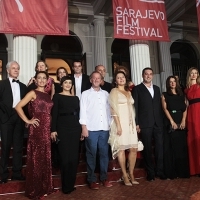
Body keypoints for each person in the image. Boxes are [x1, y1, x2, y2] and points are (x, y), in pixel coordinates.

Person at [15, 71, 54, 199]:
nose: (42, 80)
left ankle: (45, 187)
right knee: (36, 159)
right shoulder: (32, 93)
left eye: (44, 78)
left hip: (47, 129)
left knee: (45, 158)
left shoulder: (48, 95)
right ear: (35, 80)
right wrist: (28, 120)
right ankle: (35, 190)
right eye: (39, 78)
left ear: (47, 80)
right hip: (37, 129)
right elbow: (18, 106)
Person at [79, 71, 112, 190]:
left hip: (105, 129)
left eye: (99, 78)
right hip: (91, 129)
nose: (97, 80)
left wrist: (111, 126)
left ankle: (104, 178)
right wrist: (83, 127)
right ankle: (91, 179)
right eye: (94, 78)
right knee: (91, 154)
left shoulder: (106, 94)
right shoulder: (85, 94)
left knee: (104, 155)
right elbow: (82, 111)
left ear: (101, 80)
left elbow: (109, 112)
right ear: (91, 80)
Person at [132, 67, 165, 181]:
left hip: (158, 123)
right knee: (147, 149)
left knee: (159, 148)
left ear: (153, 76)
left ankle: (159, 171)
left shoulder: (157, 88)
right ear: (142, 75)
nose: (148, 76)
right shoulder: (137, 89)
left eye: (150, 74)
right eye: (146, 74)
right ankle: (150, 172)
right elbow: (135, 107)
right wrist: (137, 123)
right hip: (145, 123)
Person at [51, 76, 81, 194]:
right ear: (62, 84)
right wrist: (53, 130)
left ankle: (71, 185)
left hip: (75, 128)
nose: (68, 84)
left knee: (74, 158)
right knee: (65, 158)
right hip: (62, 128)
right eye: (65, 82)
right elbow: (54, 114)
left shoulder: (76, 98)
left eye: (70, 83)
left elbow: (79, 114)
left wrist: (80, 130)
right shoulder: (57, 96)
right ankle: (65, 186)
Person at [108, 71, 138, 186]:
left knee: (133, 149)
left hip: (131, 124)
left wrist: (134, 123)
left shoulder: (129, 92)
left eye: (123, 77)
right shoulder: (114, 91)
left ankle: (131, 173)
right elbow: (113, 109)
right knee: (121, 149)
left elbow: (132, 109)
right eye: (118, 78)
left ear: (125, 79)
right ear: (115, 81)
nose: (121, 79)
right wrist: (118, 125)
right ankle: (125, 175)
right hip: (120, 123)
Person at [0, 61, 26, 184]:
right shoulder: (1, 84)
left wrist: (25, 119)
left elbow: (25, 105)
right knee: (5, 147)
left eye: (18, 68)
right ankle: (3, 174)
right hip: (6, 119)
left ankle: (16, 173)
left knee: (18, 147)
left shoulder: (23, 86)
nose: (16, 70)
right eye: (14, 68)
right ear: (7, 70)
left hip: (19, 119)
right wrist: (3, 116)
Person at [162, 76, 189, 179]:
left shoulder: (182, 95)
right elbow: (165, 109)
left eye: (174, 81)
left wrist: (183, 121)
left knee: (180, 148)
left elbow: (185, 109)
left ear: (176, 83)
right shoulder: (165, 95)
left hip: (181, 122)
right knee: (171, 148)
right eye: (170, 82)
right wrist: (172, 121)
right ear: (168, 83)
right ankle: (172, 173)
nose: (172, 83)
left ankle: (181, 172)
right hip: (171, 122)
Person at [185, 67, 200, 176]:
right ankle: (195, 168)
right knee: (193, 139)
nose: (194, 75)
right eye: (192, 73)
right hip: (191, 114)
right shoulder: (186, 89)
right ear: (189, 75)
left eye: (196, 73)